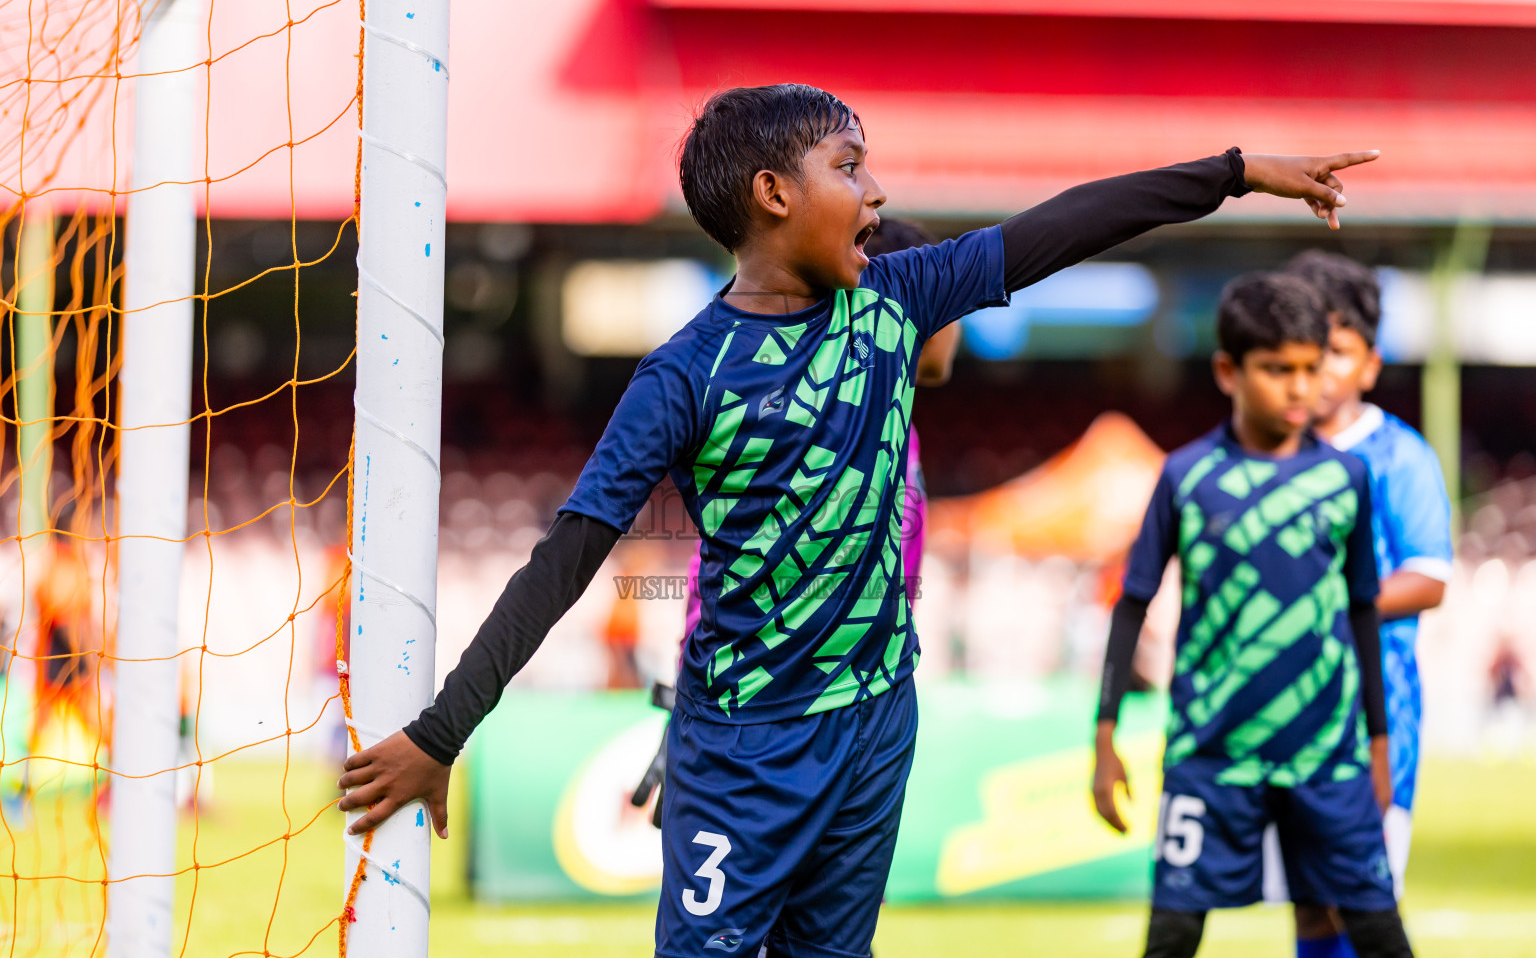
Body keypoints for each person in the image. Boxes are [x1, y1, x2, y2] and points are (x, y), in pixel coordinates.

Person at [338, 81, 1379, 958]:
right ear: (774, 194)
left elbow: (1067, 225)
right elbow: (563, 561)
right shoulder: (682, 378)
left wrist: (1235, 170)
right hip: (741, 744)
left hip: (876, 722)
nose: (877, 192)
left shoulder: (898, 300)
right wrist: (442, 732)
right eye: (851, 166)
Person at [1092, 271, 1411, 958]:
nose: (1300, 387)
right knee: (1172, 937)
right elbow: (1132, 604)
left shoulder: (1346, 479)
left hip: (1328, 759)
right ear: (1227, 371)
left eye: (1310, 367)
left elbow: (1362, 613)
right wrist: (1105, 735)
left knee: (1380, 935)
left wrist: (1379, 745)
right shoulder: (1185, 477)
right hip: (1210, 759)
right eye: (1276, 370)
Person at [629, 218, 961, 826]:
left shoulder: (892, 428)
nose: (959, 323)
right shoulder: (825, 427)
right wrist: (689, 710)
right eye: (951, 300)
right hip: (772, 729)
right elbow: (724, 561)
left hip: (855, 728)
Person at [1267, 251, 1453, 958]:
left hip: (1375, 718)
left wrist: (1333, 610)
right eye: (1308, 352)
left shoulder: (1399, 455)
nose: (1321, 370)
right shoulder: (1277, 452)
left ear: (1369, 364)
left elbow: (1430, 576)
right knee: (1311, 909)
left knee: (1359, 905)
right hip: (1288, 713)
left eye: (1338, 353)